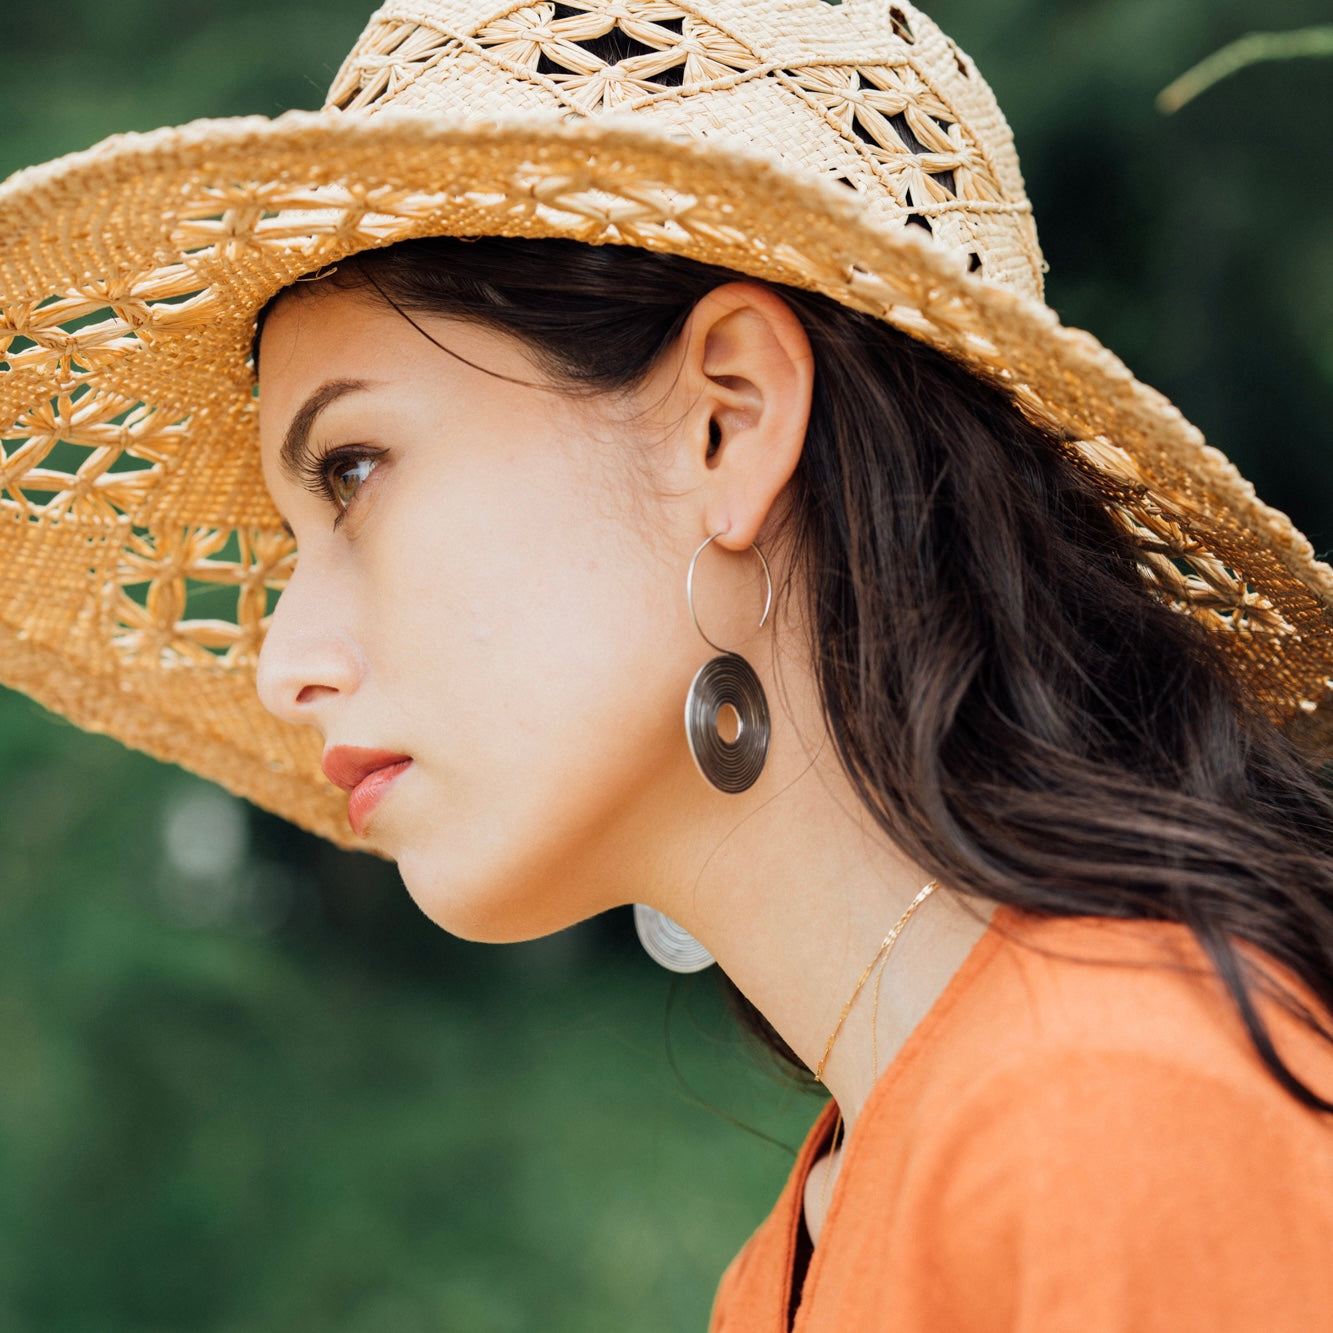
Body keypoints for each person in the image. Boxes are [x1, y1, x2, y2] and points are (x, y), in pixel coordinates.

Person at [3, 1, 1333, 1328]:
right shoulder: (820, 1229)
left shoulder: (1122, 1116)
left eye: (353, 472)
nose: (284, 664)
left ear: (725, 423)